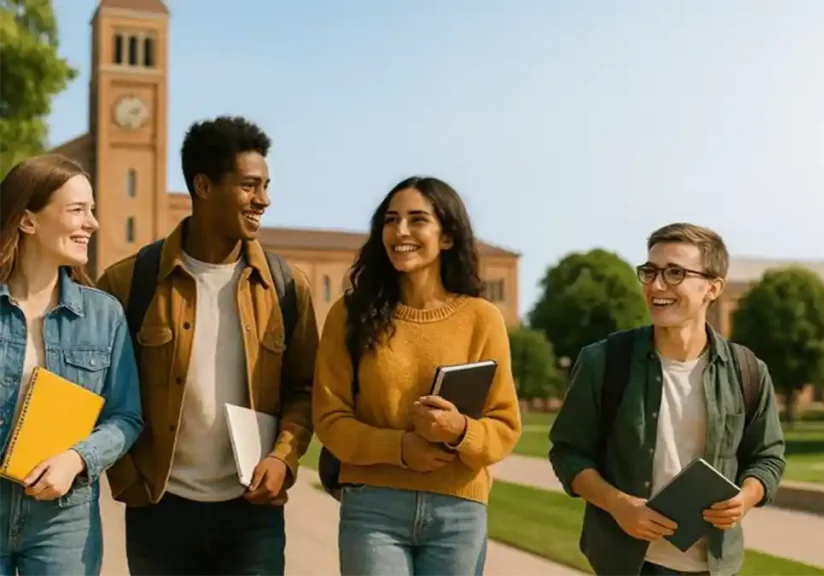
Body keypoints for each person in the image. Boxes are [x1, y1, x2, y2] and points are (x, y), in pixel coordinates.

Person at [96, 116, 320, 575]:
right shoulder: (128, 283)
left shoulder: (285, 287)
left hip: (251, 514)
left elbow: (304, 390)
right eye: (249, 186)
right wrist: (126, 478)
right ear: (203, 185)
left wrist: (283, 456)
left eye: (266, 186)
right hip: (159, 509)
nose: (264, 200)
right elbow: (97, 392)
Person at [548, 222, 786, 576]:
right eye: (650, 272)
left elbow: (767, 457)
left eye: (675, 273)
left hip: (715, 565)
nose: (656, 286)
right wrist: (619, 505)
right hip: (629, 563)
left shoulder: (747, 370)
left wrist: (746, 497)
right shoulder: (604, 361)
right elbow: (568, 452)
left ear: (713, 287)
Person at [313, 176, 522, 576]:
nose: (401, 231)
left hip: (459, 512)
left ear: (446, 237)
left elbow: (505, 428)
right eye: (391, 220)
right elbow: (329, 419)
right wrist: (401, 449)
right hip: (373, 507)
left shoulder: (483, 319)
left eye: (417, 219)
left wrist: (459, 429)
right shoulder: (349, 315)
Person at [0, 154, 143, 575]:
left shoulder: (105, 316)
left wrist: (77, 458)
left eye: (92, 210)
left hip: (64, 519)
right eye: (77, 210)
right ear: (28, 220)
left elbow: (127, 416)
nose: (92, 224)